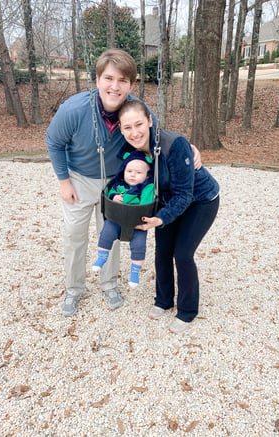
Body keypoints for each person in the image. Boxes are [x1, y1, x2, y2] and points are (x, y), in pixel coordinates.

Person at [47, 48, 201, 318]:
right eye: (108, 78)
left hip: (118, 181)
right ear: (97, 81)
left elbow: (157, 135)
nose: (114, 87)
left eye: (122, 81)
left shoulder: (135, 109)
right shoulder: (73, 109)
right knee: (75, 236)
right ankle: (74, 288)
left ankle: (109, 284)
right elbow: (54, 142)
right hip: (79, 179)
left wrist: (189, 148)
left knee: (114, 234)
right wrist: (63, 181)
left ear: (131, 84)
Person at [117, 100, 220, 334]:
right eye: (127, 128)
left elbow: (184, 194)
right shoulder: (130, 152)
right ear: (121, 130)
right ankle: (164, 300)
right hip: (167, 203)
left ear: (150, 121)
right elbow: (128, 183)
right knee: (162, 251)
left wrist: (161, 219)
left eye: (139, 124)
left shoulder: (174, 144)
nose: (134, 133)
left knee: (182, 253)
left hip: (200, 201)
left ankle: (187, 310)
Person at [92, 150, 154, 288]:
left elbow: (146, 202)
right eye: (129, 171)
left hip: (137, 223)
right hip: (116, 219)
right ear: (124, 171)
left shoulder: (147, 187)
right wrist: (114, 197)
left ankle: (135, 272)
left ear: (146, 175)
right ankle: (102, 257)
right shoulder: (119, 183)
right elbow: (110, 191)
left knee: (139, 246)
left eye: (138, 173)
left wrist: (127, 199)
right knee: (106, 233)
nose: (132, 174)